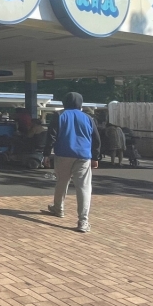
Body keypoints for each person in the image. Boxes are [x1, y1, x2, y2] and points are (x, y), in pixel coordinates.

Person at [45, 92, 100, 233]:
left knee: (62, 182)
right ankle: (83, 221)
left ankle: (59, 208)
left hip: (63, 154)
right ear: (80, 103)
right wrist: (95, 157)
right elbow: (96, 139)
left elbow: (51, 136)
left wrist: (46, 155)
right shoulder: (88, 117)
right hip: (83, 155)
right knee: (83, 187)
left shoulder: (59, 115)